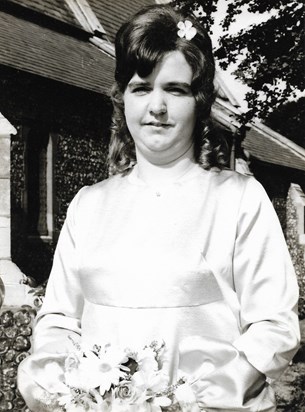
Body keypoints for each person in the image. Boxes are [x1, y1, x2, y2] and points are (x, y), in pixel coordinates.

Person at [18, 4, 300, 411]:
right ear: (123, 98)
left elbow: (273, 325)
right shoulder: (89, 205)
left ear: (199, 101)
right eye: (142, 87)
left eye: (175, 89)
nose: (157, 106)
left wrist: (188, 400)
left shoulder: (238, 199)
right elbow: (60, 320)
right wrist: (66, 388)